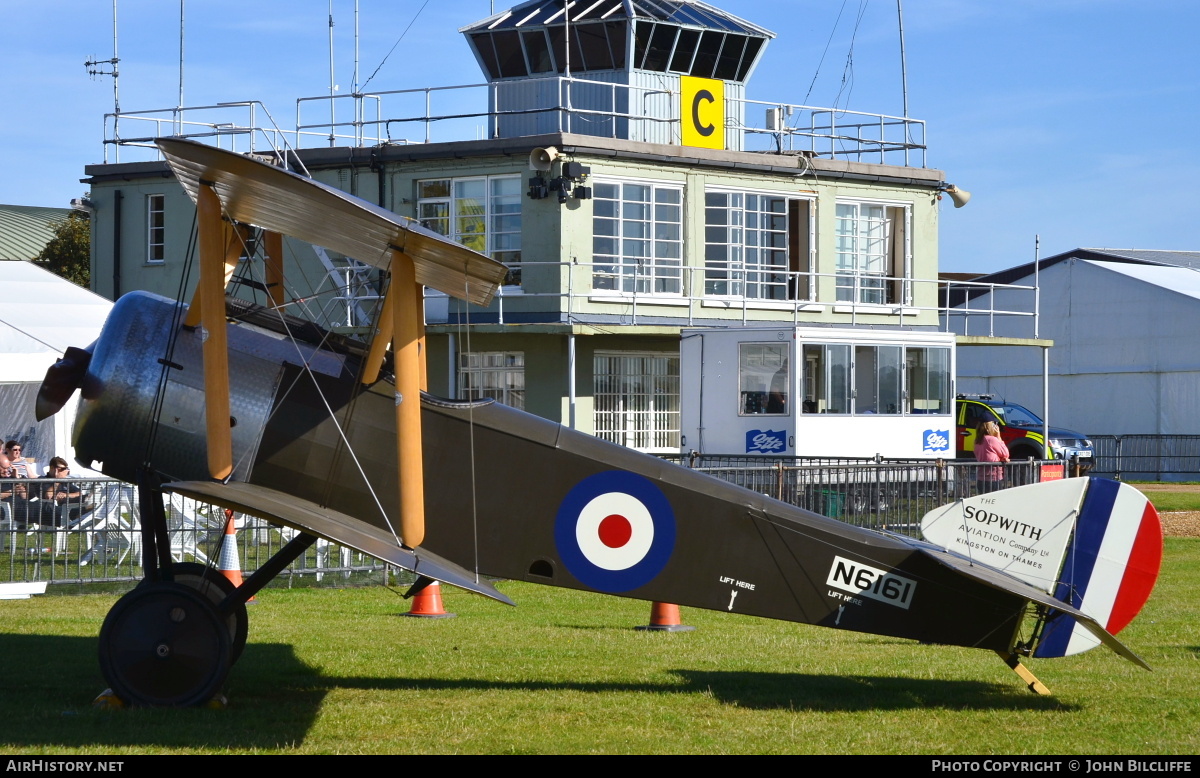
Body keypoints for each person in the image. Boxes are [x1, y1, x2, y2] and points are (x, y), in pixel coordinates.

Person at [40, 457, 84, 526]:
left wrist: (66, 495)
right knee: (87, 503)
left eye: (65, 469)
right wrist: (57, 480)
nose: (64, 472)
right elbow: (48, 496)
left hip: (71, 504)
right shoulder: (43, 480)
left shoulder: (64, 482)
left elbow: (79, 493)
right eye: (62, 469)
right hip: (56, 509)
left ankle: (89, 505)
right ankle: (88, 507)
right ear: (52, 468)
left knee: (86, 498)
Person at [974, 420, 1010, 494]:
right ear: (989, 427)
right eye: (994, 424)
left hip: (981, 478)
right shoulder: (991, 439)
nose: (995, 426)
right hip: (993, 477)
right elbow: (1005, 453)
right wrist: (999, 437)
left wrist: (1000, 458)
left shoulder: (977, 440)